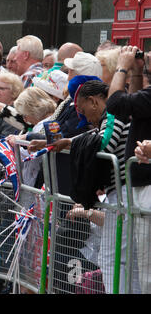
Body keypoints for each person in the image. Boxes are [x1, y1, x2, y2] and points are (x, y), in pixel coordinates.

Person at [51, 80, 141, 294]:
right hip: (123, 192)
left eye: (83, 112)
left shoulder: (113, 112)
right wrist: (67, 142)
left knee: (112, 258)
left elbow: (103, 144)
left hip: (123, 194)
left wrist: (70, 143)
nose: (85, 119)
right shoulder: (113, 114)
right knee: (124, 260)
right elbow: (94, 139)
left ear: (93, 102)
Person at [106, 45, 151, 293]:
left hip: (148, 188)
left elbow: (115, 104)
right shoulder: (147, 96)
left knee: (146, 268)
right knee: (141, 263)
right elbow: (133, 106)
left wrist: (122, 66)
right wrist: (136, 73)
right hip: (141, 185)